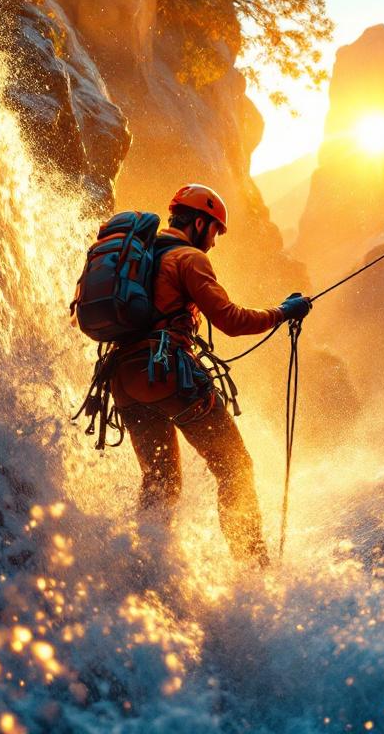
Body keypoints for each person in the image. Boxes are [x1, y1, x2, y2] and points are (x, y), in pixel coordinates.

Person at [109, 184, 311, 566]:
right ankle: (254, 572)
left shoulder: (136, 258)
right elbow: (231, 321)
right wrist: (283, 312)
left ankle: (141, 572)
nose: (215, 242)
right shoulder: (188, 258)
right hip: (167, 374)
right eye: (215, 231)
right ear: (200, 222)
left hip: (124, 381)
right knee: (235, 467)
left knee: (161, 484)